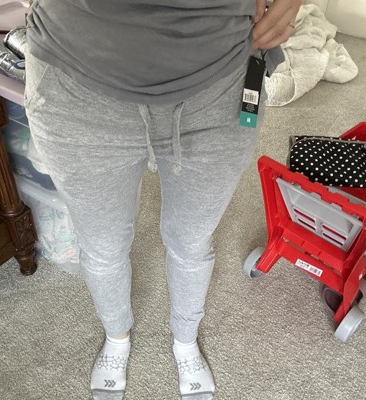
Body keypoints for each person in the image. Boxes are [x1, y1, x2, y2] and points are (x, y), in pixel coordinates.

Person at [24, 0, 301, 399]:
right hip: (74, 72)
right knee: (102, 245)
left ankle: (184, 339)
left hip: (220, 75)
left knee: (192, 241)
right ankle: (116, 336)